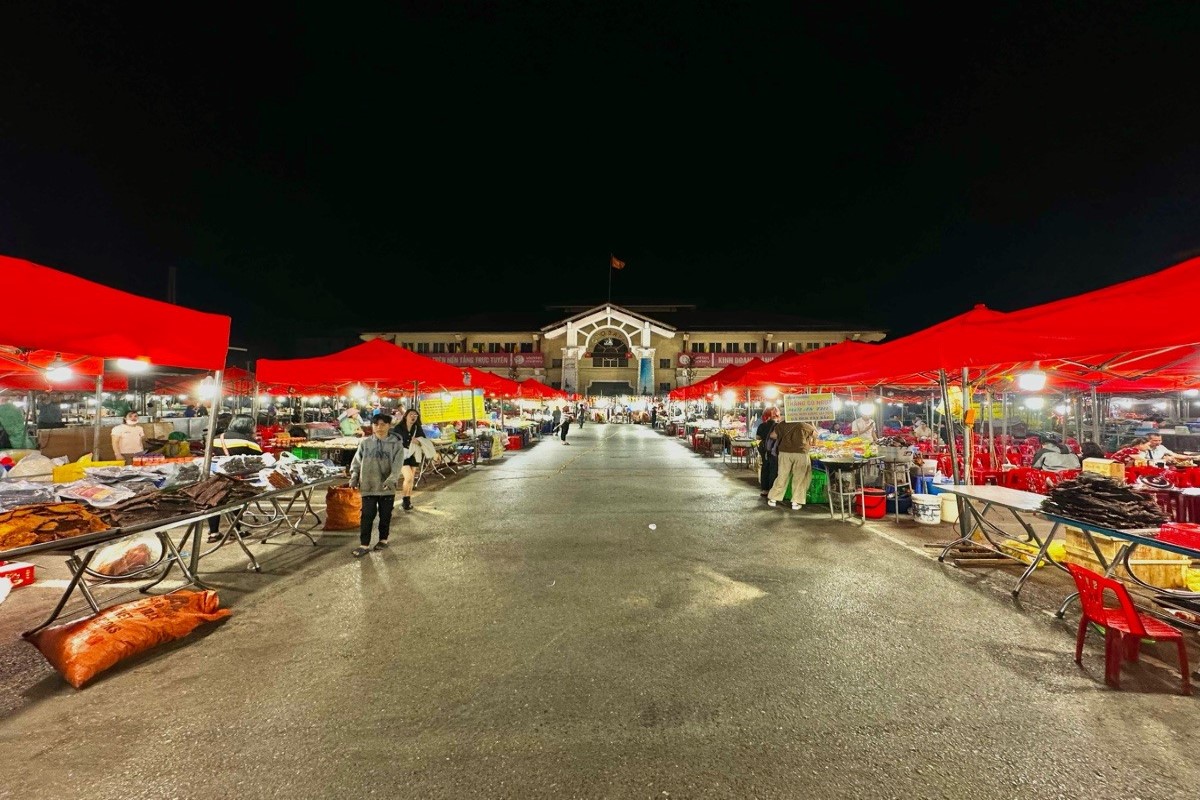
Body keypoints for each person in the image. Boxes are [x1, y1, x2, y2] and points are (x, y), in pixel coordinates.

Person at [348, 413, 405, 557]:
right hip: (368, 485)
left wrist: (392, 479)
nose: (379, 427)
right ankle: (364, 544)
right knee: (367, 516)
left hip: (387, 487)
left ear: (389, 426)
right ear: (372, 426)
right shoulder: (365, 443)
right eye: (376, 424)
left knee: (385, 516)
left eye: (383, 424)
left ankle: (383, 539)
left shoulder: (396, 444)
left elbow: (398, 465)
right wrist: (354, 477)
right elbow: (356, 462)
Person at [207, 415, 263, 541]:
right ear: (248, 426)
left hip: (215, 477)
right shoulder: (248, 442)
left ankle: (213, 533)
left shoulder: (216, 438)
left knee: (214, 502)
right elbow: (261, 460)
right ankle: (235, 530)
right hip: (237, 478)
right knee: (237, 501)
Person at [767, 417, 818, 510]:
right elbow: (815, 435)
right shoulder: (804, 425)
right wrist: (811, 423)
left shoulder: (782, 424)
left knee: (782, 475)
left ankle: (773, 499)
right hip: (801, 453)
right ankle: (795, 502)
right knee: (800, 477)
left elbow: (773, 435)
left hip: (784, 453)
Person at [391, 408, 427, 511]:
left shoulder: (417, 427)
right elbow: (393, 440)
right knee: (408, 477)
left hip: (414, 454)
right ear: (406, 416)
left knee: (411, 478)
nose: (413, 417)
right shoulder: (398, 427)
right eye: (411, 414)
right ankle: (404, 500)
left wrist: (418, 441)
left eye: (415, 415)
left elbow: (424, 439)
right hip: (401, 454)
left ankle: (407, 501)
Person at [756, 408, 780, 499]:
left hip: (764, 449)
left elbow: (757, 437)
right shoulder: (778, 426)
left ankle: (764, 489)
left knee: (765, 467)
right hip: (775, 450)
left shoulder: (762, 425)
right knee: (774, 469)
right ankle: (771, 489)